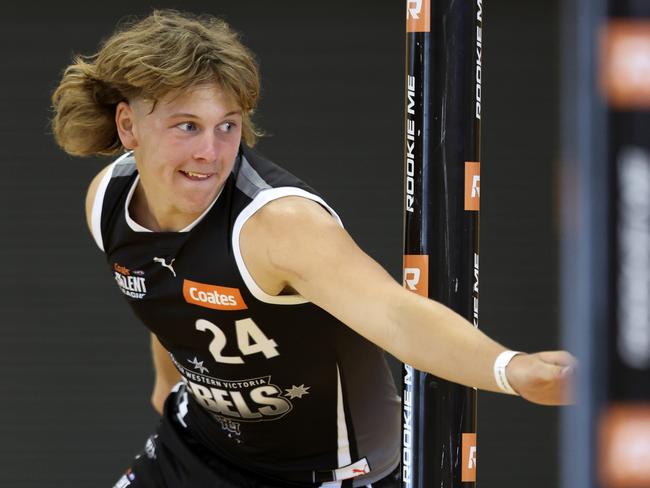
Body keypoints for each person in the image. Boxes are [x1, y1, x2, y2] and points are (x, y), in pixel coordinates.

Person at [51, 9, 575, 488]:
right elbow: (167, 299)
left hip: (331, 473)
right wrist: (167, 385)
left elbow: (396, 315)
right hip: (198, 451)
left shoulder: (279, 224)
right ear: (128, 126)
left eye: (227, 126)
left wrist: (514, 369)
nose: (210, 153)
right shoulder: (108, 200)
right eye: (187, 126)